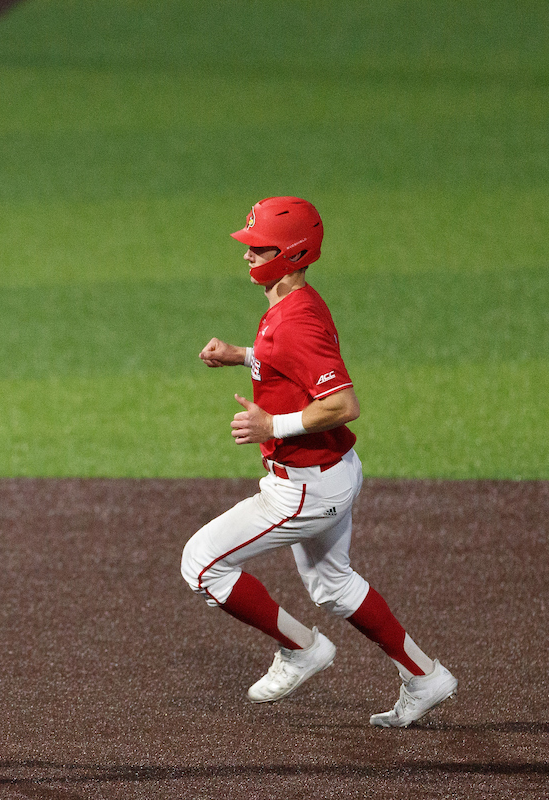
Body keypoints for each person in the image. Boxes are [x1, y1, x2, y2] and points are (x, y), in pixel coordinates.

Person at [180, 196, 457, 727]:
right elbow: (291, 363)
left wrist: (273, 427)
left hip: (305, 487)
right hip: (333, 471)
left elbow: (343, 404)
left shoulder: (295, 321)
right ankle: (425, 676)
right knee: (333, 585)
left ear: (291, 253)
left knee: (202, 563)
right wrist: (242, 356)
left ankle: (301, 649)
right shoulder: (294, 303)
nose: (247, 255)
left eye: (259, 247)